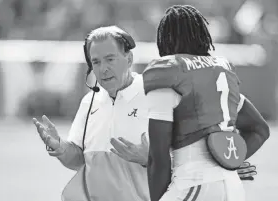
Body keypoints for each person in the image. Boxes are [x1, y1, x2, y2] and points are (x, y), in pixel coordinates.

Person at [141, 5, 270, 201]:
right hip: (233, 188)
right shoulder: (220, 71)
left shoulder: (169, 72)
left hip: (194, 183)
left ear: (165, 37)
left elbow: (158, 158)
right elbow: (260, 129)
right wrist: (228, 162)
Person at [33, 26, 150, 201]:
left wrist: (148, 158)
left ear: (129, 59)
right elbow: (78, 159)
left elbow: (189, 163)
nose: (103, 69)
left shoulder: (156, 95)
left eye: (110, 59)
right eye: (96, 62)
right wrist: (59, 146)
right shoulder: (89, 102)